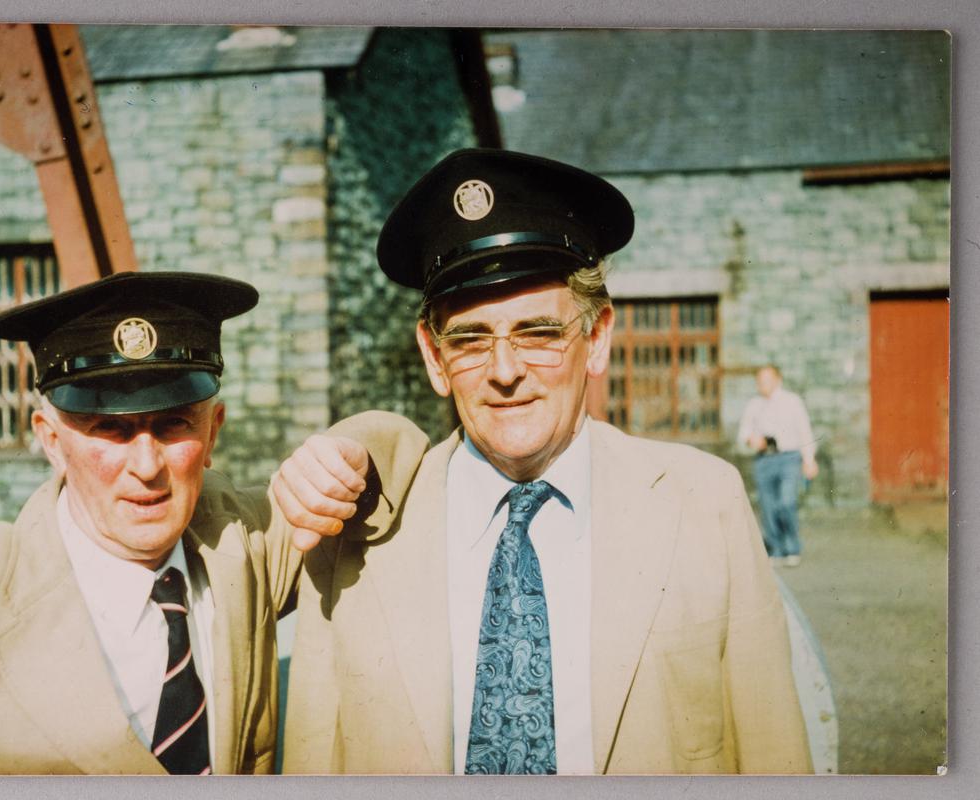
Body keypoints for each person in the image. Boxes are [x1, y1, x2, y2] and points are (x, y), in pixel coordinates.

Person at [278, 149, 812, 775]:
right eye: (471, 340)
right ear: (434, 356)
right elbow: (313, 761)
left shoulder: (705, 503)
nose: (505, 371)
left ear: (597, 336)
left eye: (538, 333)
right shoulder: (353, 534)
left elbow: (775, 756)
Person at [0, 271, 424, 775]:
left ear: (213, 432)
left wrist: (343, 459)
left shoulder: (244, 542)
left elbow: (390, 447)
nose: (147, 466)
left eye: (173, 425)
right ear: (52, 442)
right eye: (111, 429)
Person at [737, 365, 819, 567]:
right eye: (759, 380)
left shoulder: (792, 402)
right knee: (768, 505)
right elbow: (743, 432)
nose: (762, 384)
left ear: (778, 380)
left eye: (767, 380)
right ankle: (776, 548)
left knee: (786, 501)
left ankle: (792, 546)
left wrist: (809, 460)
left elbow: (804, 431)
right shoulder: (754, 404)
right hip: (764, 459)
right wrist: (751, 440)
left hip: (789, 457)